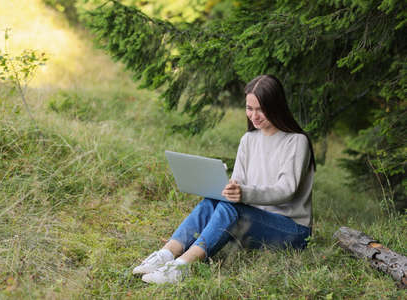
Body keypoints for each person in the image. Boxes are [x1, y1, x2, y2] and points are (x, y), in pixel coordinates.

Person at [132, 74, 316, 284]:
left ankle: (182, 267)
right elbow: (238, 181)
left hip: (293, 231)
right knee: (212, 202)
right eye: (249, 108)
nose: (253, 116)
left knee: (232, 209)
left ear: (276, 106)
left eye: (260, 109)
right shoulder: (249, 139)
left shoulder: (296, 141)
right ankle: (165, 255)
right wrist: (227, 188)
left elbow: (286, 190)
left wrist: (244, 193)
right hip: (255, 220)